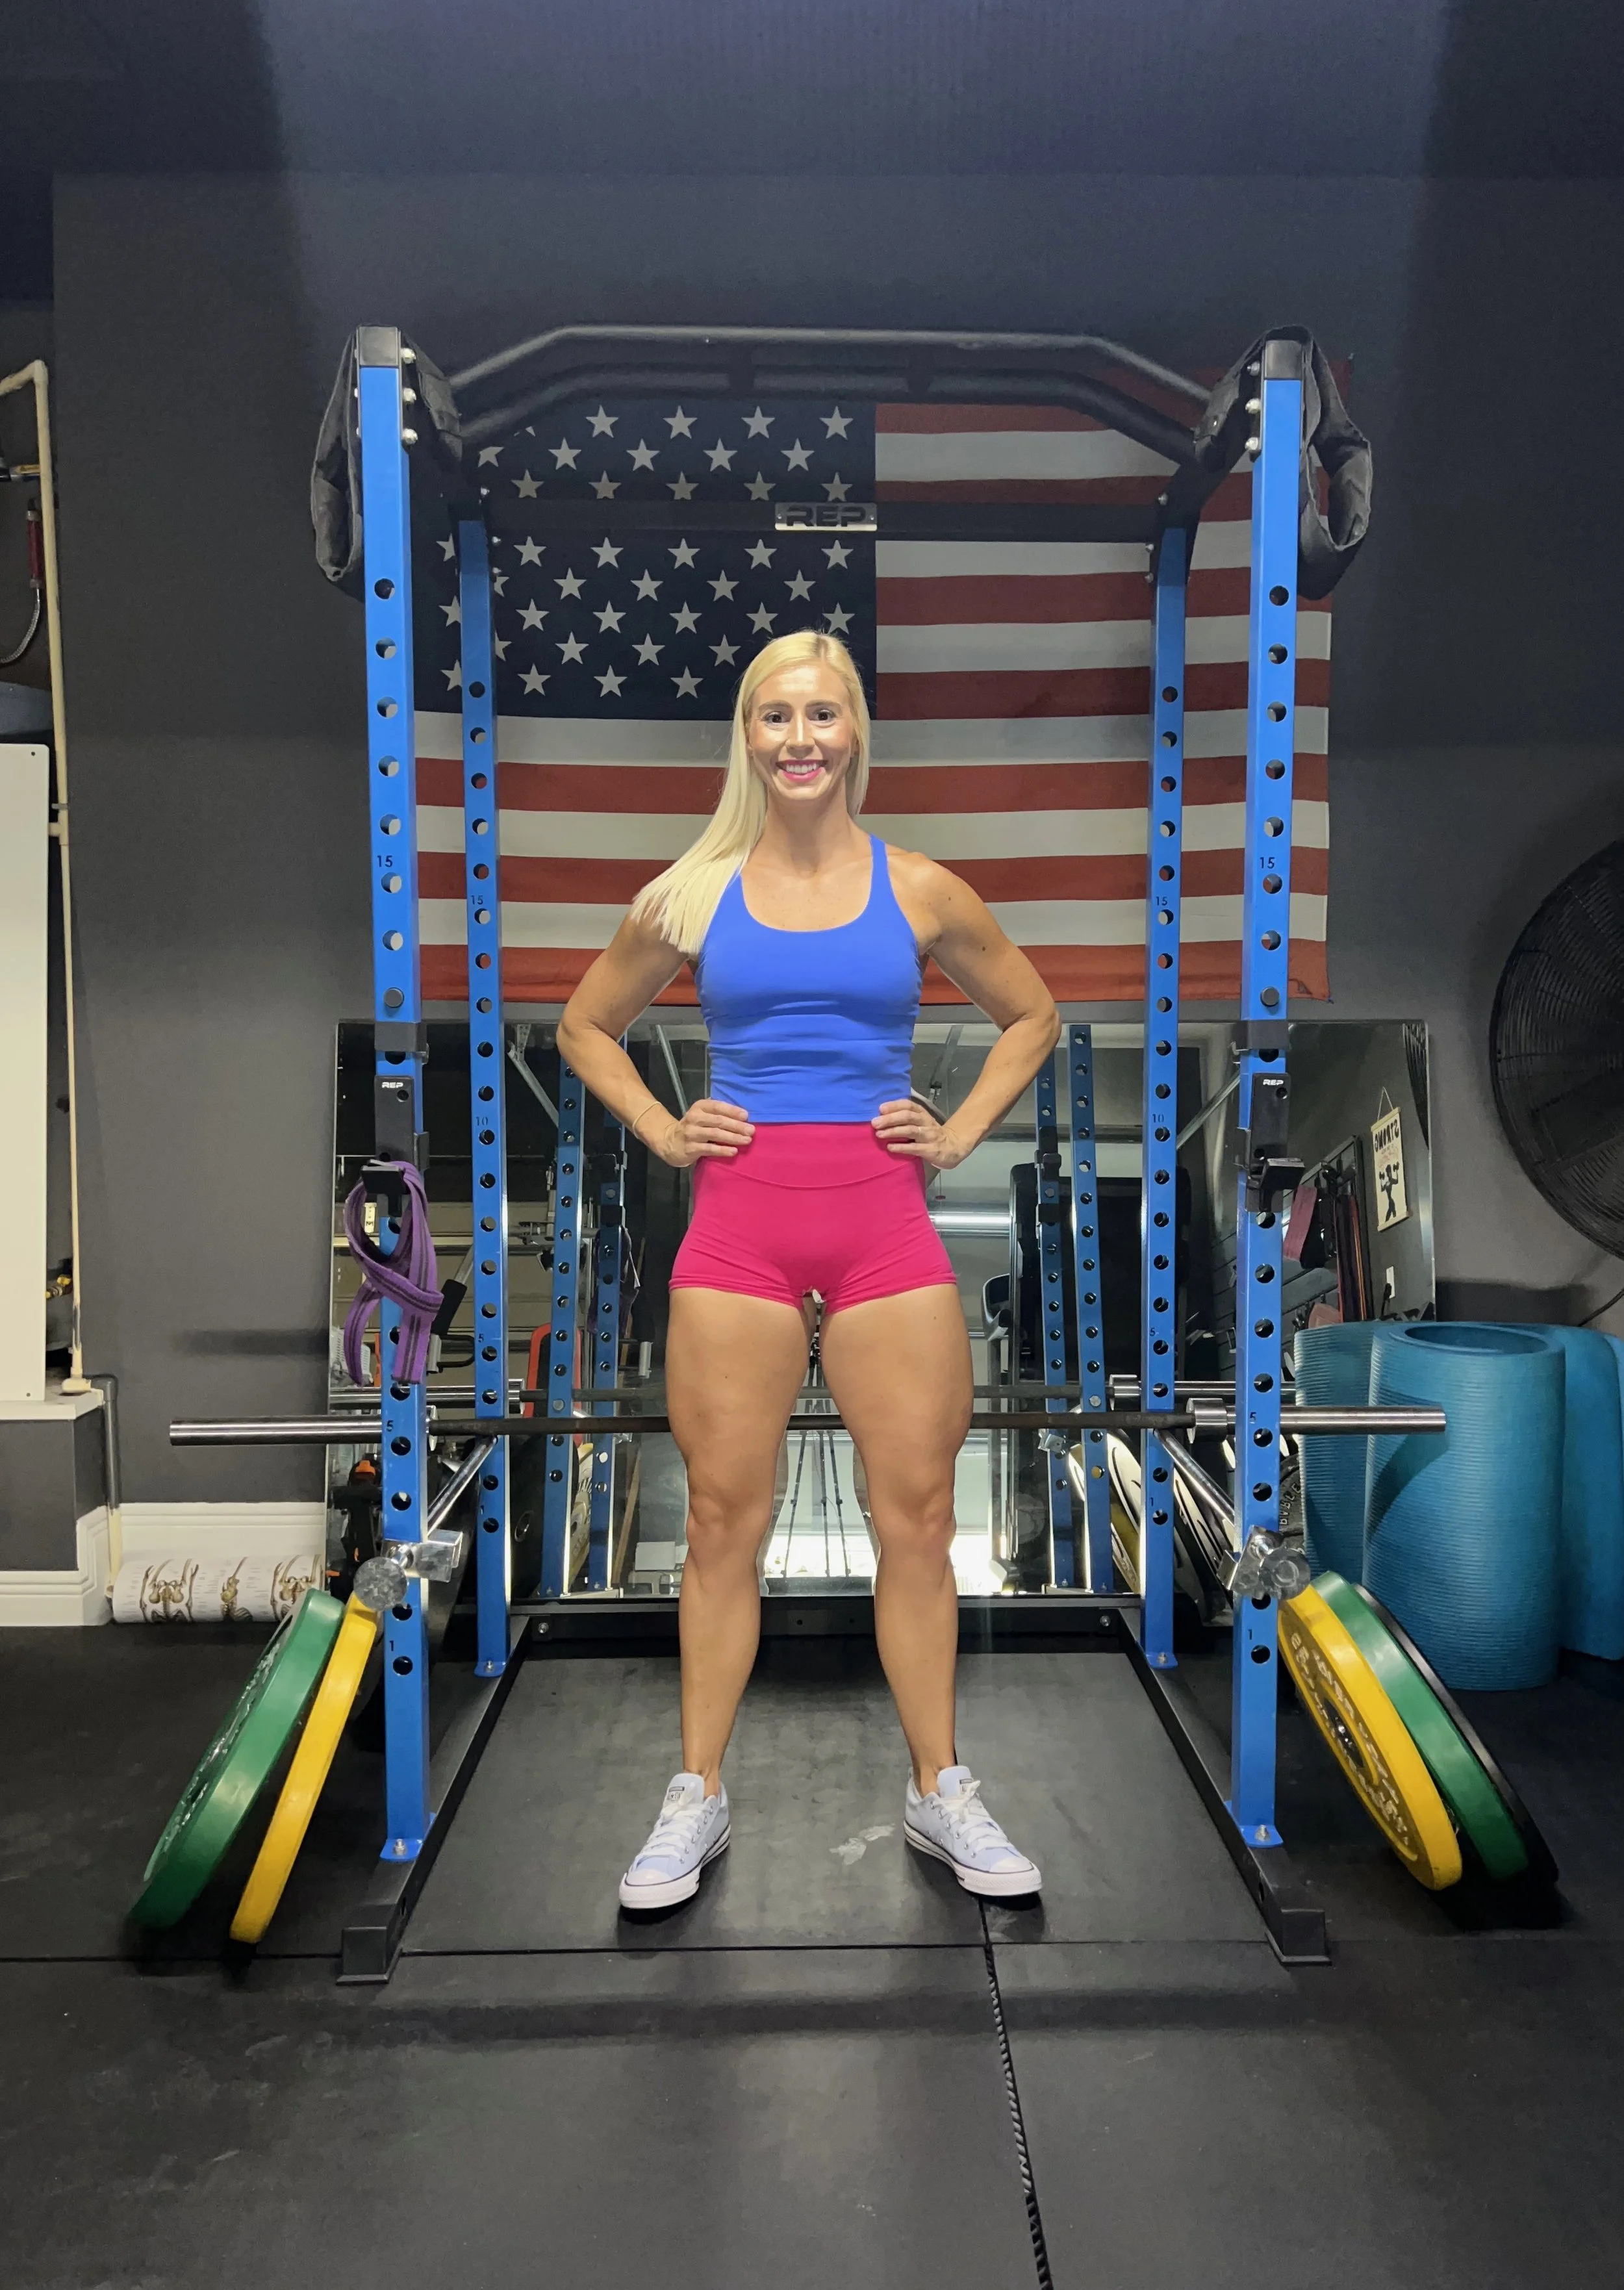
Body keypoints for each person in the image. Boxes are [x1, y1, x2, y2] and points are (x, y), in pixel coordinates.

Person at [557, 628, 1061, 1911]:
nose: (797, 738)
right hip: (737, 1228)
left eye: (819, 715)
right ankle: (696, 1791)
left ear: (854, 735)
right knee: (724, 1524)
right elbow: (583, 1024)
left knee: (922, 1523)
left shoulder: (922, 889)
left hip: (883, 1224)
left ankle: (938, 1787)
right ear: (746, 735)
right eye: (774, 716)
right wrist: (665, 1128)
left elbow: (1032, 1015)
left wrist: (951, 1131)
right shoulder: (689, 892)